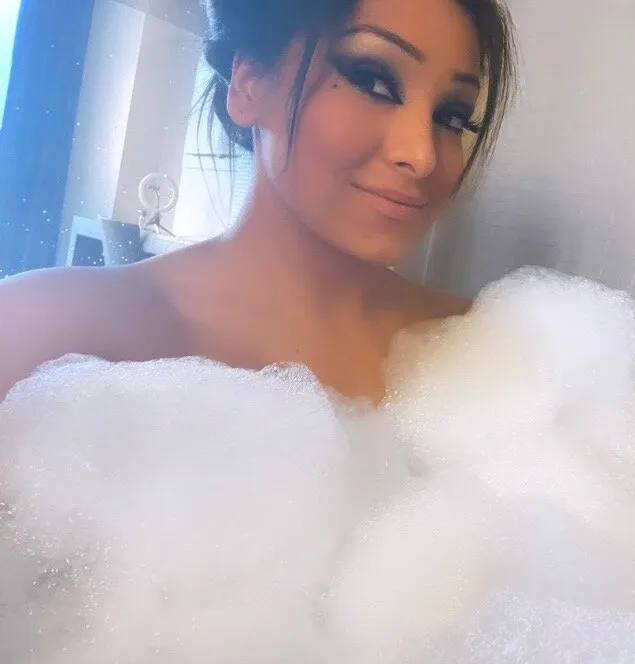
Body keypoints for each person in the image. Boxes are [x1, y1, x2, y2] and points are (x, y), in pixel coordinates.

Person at [0, 0, 515, 404]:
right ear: (248, 85)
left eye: (451, 116)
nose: (422, 156)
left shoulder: (493, 349)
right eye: (373, 81)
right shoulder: (40, 332)